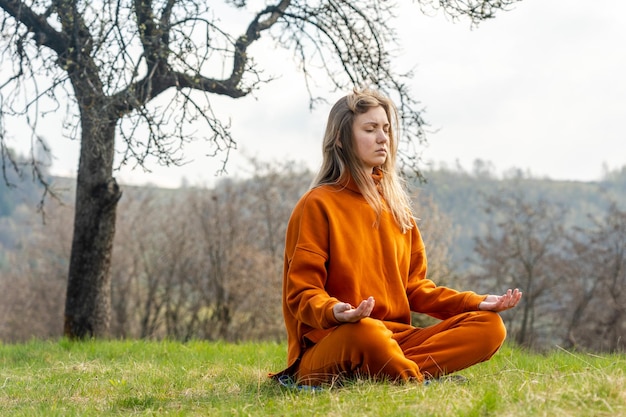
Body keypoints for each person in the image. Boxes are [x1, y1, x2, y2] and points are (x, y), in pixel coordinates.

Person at [272, 88, 522, 387]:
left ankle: (392, 372)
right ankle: (412, 382)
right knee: (367, 333)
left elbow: (416, 289)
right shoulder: (317, 204)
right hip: (338, 341)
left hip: (397, 340)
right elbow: (301, 295)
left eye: (386, 129)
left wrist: (475, 303)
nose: (382, 138)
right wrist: (336, 312)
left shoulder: (397, 208)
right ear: (340, 139)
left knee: (490, 327)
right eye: (370, 129)